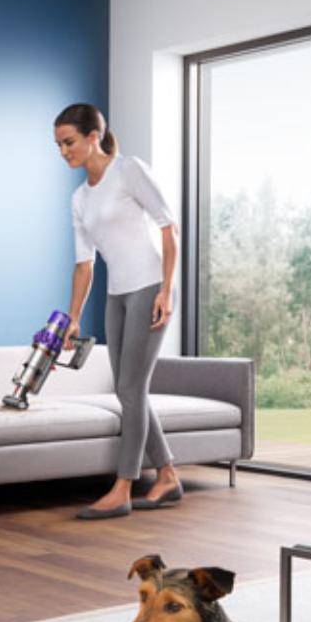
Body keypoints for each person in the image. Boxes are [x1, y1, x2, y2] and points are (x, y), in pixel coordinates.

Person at [54, 102, 182, 520]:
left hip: (149, 289)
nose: (63, 152)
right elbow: (83, 264)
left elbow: (168, 225)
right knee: (129, 391)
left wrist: (167, 288)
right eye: (58, 145)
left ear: (94, 136)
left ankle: (123, 486)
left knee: (130, 389)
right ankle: (167, 475)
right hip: (116, 295)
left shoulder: (128, 171)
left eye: (69, 142)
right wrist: (72, 318)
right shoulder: (78, 198)